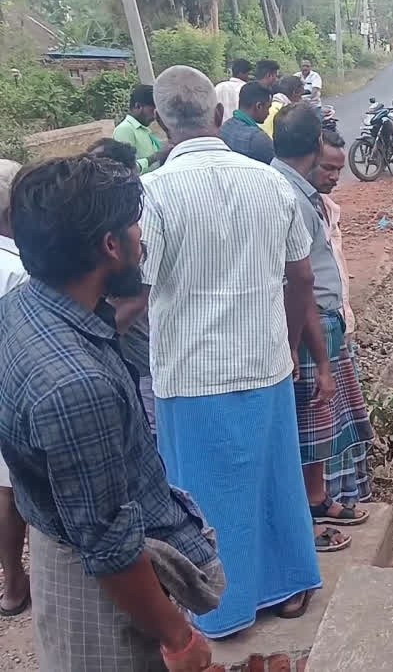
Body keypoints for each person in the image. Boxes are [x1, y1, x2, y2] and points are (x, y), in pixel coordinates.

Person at [0, 154, 225, 672]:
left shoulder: (24, 307)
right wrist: (179, 639)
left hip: (62, 551)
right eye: (134, 228)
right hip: (101, 590)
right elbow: (110, 546)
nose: (141, 240)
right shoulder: (77, 386)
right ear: (109, 245)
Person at [140, 65, 327, 635]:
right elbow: (301, 278)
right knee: (274, 477)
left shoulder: (151, 193)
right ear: (220, 117)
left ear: (163, 124)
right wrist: (294, 346)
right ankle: (290, 586)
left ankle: (220, 606)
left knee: (202, 494)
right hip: (266, 359)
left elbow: (140, 288)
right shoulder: (270, 183)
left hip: (191, 373)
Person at [272, 107, 371, 547]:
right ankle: (303, 519)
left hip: (321, 320)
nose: (333, 174)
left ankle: (316, 498)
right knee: (308, 421)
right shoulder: (287, 194)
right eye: (328, 165)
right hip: (308, 323)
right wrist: (305, 349)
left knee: (319, 422)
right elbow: (301, 282)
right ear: (314, 148)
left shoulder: (302, 194)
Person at [310, 129, 371, 504]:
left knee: (342, 423)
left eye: (338, 170)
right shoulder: (297, 208)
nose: (334, 177)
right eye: (327, 168)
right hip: (317, 331)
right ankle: (325, 500)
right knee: (323, 424)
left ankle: (347, 496)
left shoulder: (328, 209)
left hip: (339, 325)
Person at [86, 139, 158, 443]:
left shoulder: (139, 223)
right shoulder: (105, 220)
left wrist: (89, 341)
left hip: (144, 357)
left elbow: (137, 300)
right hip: (124, 352)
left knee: (151, 435)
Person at [0, 160, 29, 620]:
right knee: (15, 489)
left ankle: (12, 584)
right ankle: (17, 583)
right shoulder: (18, 268)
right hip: (13, 385)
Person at [112, 85, 171, 174]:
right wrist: (155, 157)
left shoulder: (143, 129)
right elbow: (124, 169)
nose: (154, 116)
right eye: (152, 111)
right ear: (138, 106)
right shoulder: (124, 129)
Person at [220, 82, 275, 164]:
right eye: (268, 107)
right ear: (259, 106)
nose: (268, 113)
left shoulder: (224, 128)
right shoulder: (257, 138)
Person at [214, 59, 252, 124]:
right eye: (248, 74)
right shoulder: (247, 89)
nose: (248, 77)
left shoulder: (219, 87)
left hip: (219, 130)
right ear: (241, 73)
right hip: (240, 129)